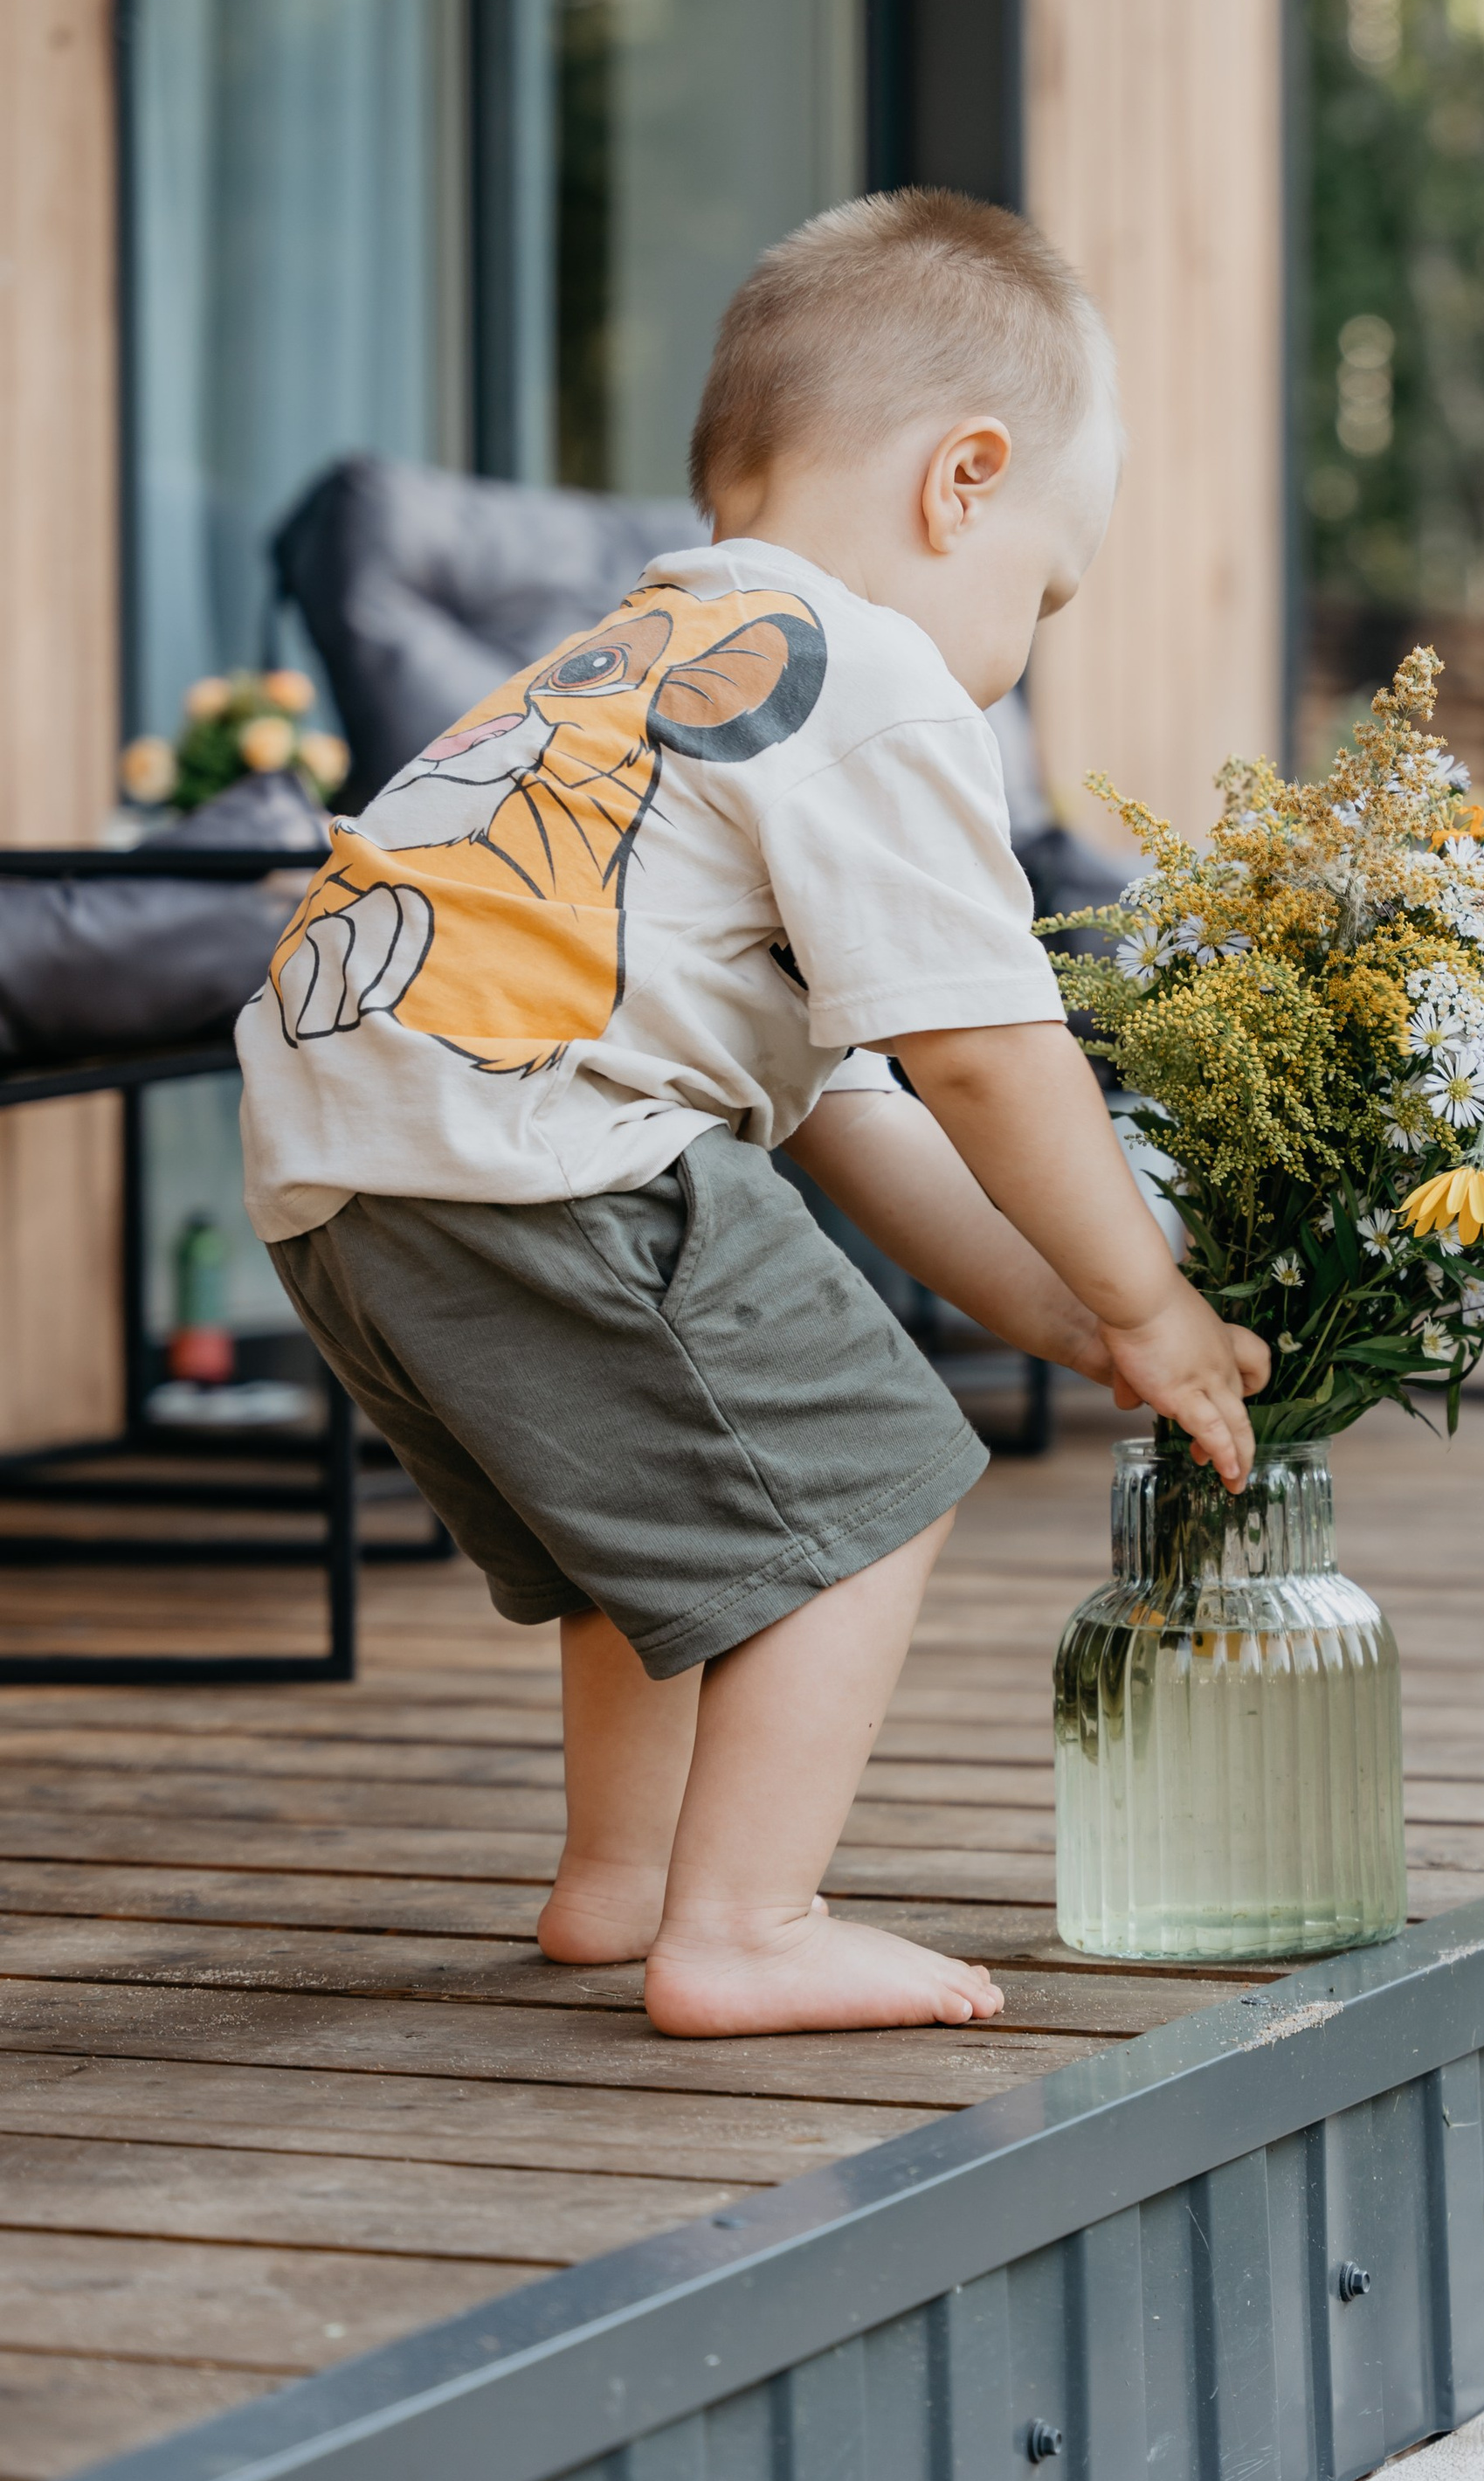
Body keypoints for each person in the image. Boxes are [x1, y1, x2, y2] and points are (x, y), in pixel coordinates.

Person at [235, 190, 1267, 2038]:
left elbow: (853, 1098)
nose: (1016, 655)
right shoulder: (861, 681)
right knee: (868, 1490)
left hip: (346, 1168)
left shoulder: (625, 665)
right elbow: (984, 1049)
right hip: (537, 1144)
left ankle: (621, 1885)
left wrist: (1053, 1308)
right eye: (1039, 596)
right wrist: (1152, 1295)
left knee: (655, 1536)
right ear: (962, 483)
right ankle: (745, 1926)